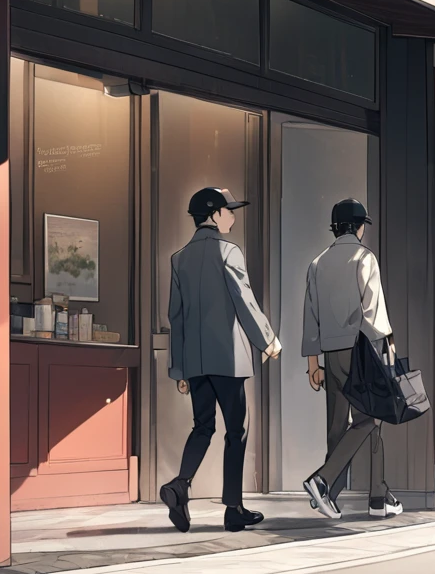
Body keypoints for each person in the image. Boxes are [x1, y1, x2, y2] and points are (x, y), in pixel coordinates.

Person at [161, 187, 281, 533]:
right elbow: (245, 302)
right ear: (213, 215)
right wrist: (267, 341)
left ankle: (180, 485)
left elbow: (177, 318)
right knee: (236, 430)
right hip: (228, 360)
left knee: (203, 426)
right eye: (228, 211)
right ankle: (233, 509)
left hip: (196, 363)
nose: (232, 216)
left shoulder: (179, 258)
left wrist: (180, 368)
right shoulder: (228, 252)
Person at [301, 198, 402, 520]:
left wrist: (312, 364)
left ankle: (373, 497)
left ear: (335, 227)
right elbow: (373, 312)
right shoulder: (363, 258)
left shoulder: (317, 263)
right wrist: (388, 350)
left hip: (331, 354)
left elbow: (310, 316)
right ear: (359, 226)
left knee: (337, 425)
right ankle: (323, 480)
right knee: (370, 420)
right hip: (361, 351)